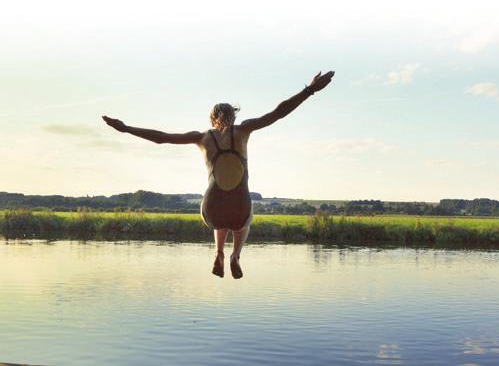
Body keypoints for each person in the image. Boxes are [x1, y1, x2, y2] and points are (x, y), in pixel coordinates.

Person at [103, 71, 335, 279]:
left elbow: (161, 137)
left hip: (211, 207)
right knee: (243, 218)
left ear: (212, 119)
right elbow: (278, 113)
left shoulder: (202, 137)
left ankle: (218, 252)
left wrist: (126, 128)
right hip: (239, 206)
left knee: (219, 219)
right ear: (233, 117)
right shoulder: (244, 130)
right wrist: (310, 90)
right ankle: (235, 255)